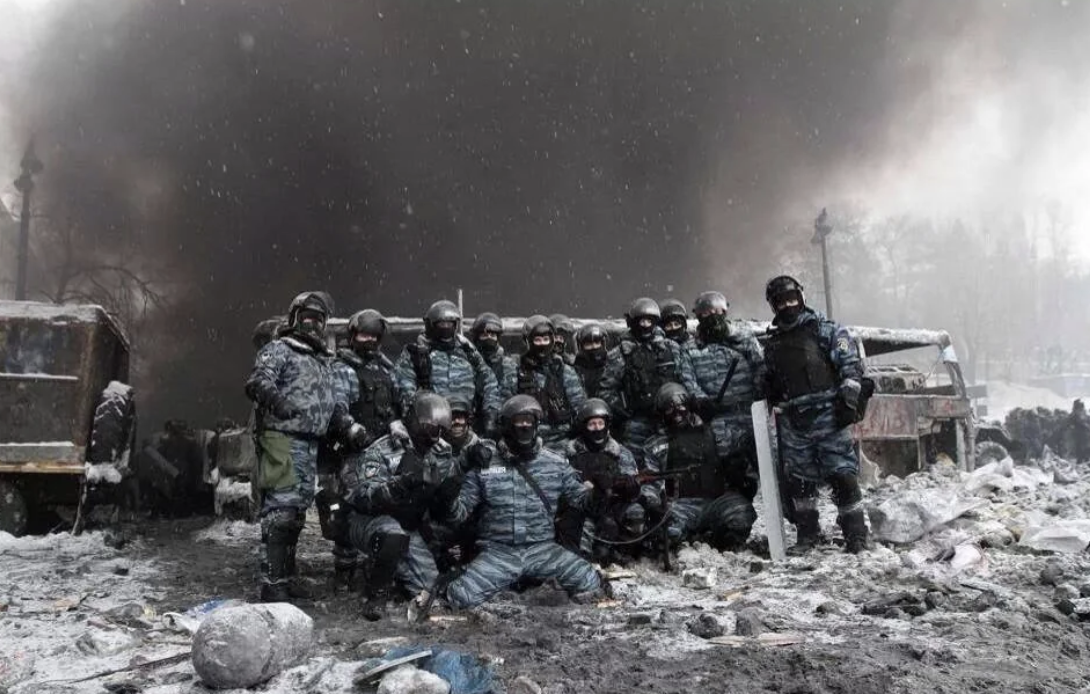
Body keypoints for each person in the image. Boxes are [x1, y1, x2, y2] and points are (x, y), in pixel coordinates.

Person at [441, 395, 605, 610]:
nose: (525, 427)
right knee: (461, 596)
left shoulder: (554, 463)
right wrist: (450, 488)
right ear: (506, 425)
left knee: (589, 581)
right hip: (498, 552)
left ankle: (527, 580)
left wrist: (603, 490)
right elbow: (459, 513)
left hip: (543, 550)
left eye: (530, 421)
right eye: (519, 421)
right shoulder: (485, 461)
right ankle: (515, 581)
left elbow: (582, 502)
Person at [762, 275, 870, 554]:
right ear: (773, 306)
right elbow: (769, 379)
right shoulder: (772, 343)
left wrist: (848, 400)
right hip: (794, 419)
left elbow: (850, 366)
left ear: (800, 297)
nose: (788, 306)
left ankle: (856, 535)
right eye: (781, 302)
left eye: (792, 299)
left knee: (843, 476)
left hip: (828, 413)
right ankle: (808, 534)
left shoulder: (826, 330)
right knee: (800, 483)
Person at [244, 291, 339, 602]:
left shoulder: (321, 359)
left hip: (309, 444)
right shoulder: (280, 349)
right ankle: (272, 584)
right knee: (280, 514)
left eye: (319, 319)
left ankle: (286, 576)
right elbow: (258, 382)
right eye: (308, 317)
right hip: (280, 440)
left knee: (296, 514)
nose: (313, 324)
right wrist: (279, 402)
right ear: (295, 318)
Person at [341, 393, 460, 619]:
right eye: (430, 427)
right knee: (392, 535)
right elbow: (363, 498)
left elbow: (446, 509)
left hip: (410, 523)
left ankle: (393, 570)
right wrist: (398, 485)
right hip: (368, 522)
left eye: (440, 430)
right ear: (414, 421)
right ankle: (375, 595)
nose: (435, 436)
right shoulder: (383, 449)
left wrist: (447, 497)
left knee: (430, 589)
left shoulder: (442, 454)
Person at [321, 309, 398, 592]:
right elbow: (335, 406)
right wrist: (351, 427)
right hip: (351, 449)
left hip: (382, 448)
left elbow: (396, 404)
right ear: (353, 336)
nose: (369, 341)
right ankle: (344, 570)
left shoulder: (386, 369)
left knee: (383, 504)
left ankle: (377, 563)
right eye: (364, 335)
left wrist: (398, 424)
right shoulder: (343, 367)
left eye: (374, 336)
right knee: (345, 508)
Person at [642, 383, 757, 552]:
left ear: (689, 406)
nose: (676, 414)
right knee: (667, 534)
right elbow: (649, 481)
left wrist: (739, 474)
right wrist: (653, 504)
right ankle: (689, 540)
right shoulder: (656, 444)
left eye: (680, 407)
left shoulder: (716, 433)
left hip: (716, 500)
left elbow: (741, 455)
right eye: (669, 410)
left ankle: (718, 542)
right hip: (680, 505)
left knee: (740, 516)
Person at [600, 297, 693, 456]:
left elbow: (687, 378)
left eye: (649, 321)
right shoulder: (620, 354)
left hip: (672, 417)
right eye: (641, 321)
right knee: (638, 463)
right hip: (638, 421)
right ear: (632, 323)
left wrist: (687, 404)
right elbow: (606, 390)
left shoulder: (671, 348)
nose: (645, 326)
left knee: (679, 459)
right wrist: (623, 410)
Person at [681, 291, 765, 462]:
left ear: (725, 312)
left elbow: (761, 367)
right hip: (718, 419)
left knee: (762, 463)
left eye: (717, 312)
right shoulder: (690, 348)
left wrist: (761, 393)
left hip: (750, 414)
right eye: (706, 313)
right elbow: (688, 380)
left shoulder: (744, 338)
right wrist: (702, 401)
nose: (712, 316)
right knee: (728, 467)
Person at [395, 300, 501, 436]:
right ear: (430, 324)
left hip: (465, 425)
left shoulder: (467, 351)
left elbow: (489, 381)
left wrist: (490, 414)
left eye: (449, 324)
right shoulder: (416, 353)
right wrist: (417, 418)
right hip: (432, 426)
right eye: (441, 324)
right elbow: (404, 386)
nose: (446, 327)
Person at [559, 399, 643, 564]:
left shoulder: (621, 453)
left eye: (600, 423)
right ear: (584, 427)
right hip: (582, 507)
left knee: (635, 512)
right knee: (580, 551)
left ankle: (622, 552)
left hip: (612, 505)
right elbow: (559, 483)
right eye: (592, 424)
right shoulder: (569, 453)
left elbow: (632, 480)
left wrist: (629, 487)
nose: (597, 428)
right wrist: (585, 488)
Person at [501, 315, 587, 449]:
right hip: (526, 437)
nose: (542, 344)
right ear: (528, 341)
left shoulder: (564, 371)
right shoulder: (515, 370)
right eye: (538, 340)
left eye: (546, 339)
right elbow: (505, 405)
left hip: (562, 438)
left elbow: (580, 406)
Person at [469, 312, 508, 386]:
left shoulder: (508, 365)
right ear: (477, 338)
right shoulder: (468, 363)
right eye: (484, 335)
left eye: (493, 335)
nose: (489, 338)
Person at [573, 322, 609, 399]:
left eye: (597, 342)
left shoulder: (611, 366)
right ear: (581, 347)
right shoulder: (574, 370)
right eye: (588, 344)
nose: (594, 347)